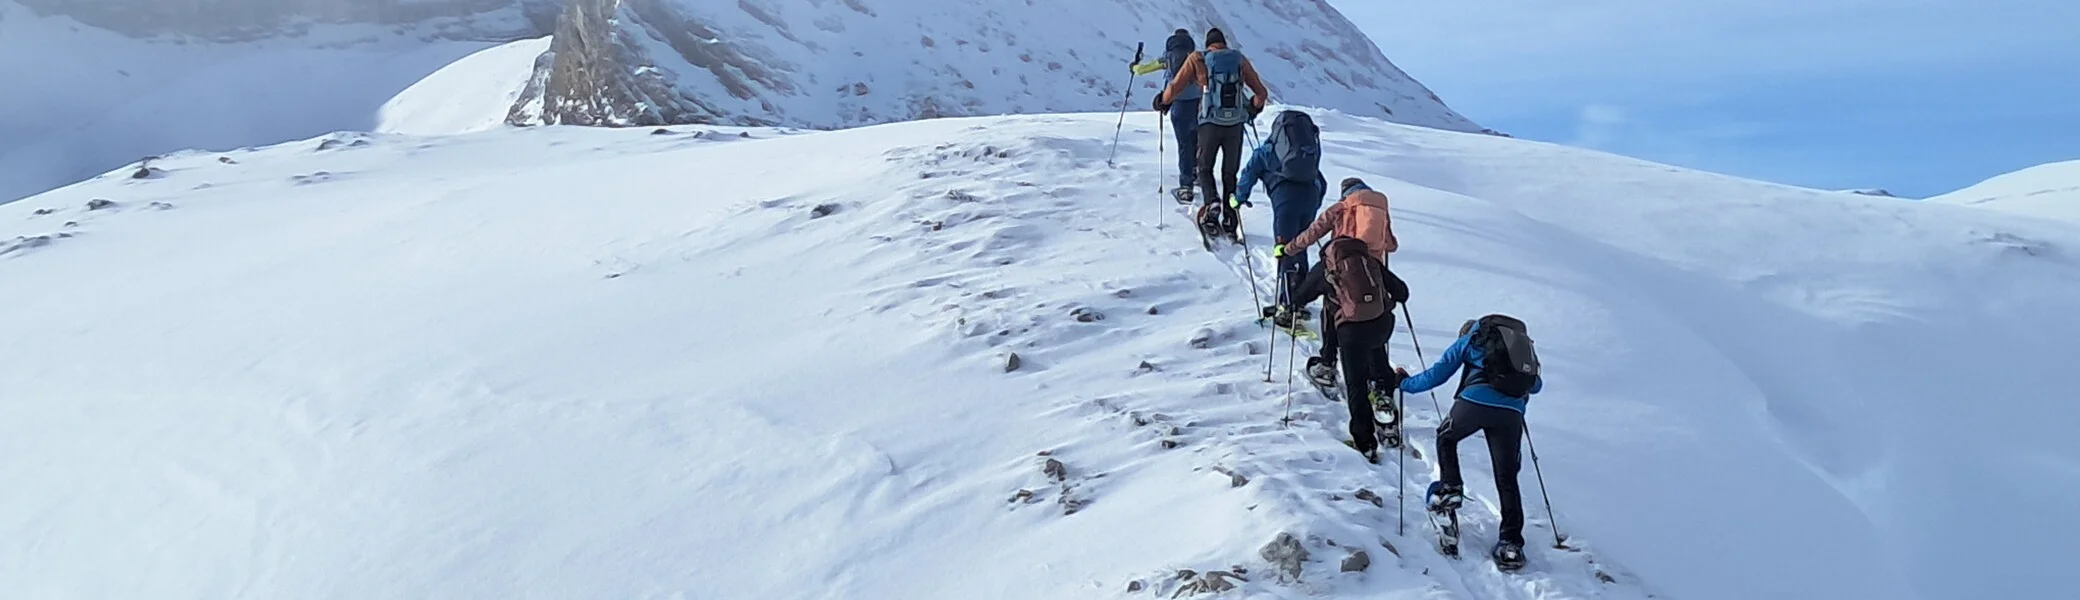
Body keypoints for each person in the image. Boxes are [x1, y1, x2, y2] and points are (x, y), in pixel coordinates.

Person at [1395, 316, 1546, 568]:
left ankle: (1450, 489)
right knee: (1507, 477)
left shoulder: (1470, 340)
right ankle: (1510, 543)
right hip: (1511, 413)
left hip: (1473, 403)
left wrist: (1403, 384)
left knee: (1446, 438)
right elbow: (1536, 385)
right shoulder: (1519, 347)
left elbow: (1437, 374)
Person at [1153, 27, 1270, 240]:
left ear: (1208, 44)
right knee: (1229, 173)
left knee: (1205, 167)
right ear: (1224, 43)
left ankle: (1211, 203)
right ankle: (1230, 219)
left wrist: (1162, 101)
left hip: (1209, 123)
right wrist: (1253, 108)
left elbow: (1176, 85)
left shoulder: (1198, 58)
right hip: (1235, 125)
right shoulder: (1238, 59)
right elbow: (1261, 93)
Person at [1279, 178, 1397, 388]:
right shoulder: (1380, 207)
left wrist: (1288, 249)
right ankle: (1378, 377)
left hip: (1342, 265)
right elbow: (1391, 244)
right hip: (1374, 271)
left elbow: (1314, 231)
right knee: (1373, 314)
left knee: (1332, 309)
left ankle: (1327, 362)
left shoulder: (1343, 206)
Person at [1236, 109, 1326, 314]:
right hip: (1310, 198)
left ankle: (1287, 304)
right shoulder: (1308, 153)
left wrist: (1239, 199)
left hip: (1285, 202)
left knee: (1284, 249)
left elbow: (1248, 174)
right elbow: (1322, 182)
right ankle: (1300, 298)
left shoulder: (1268, 151)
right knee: (1300, 246)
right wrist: (1314, 207)